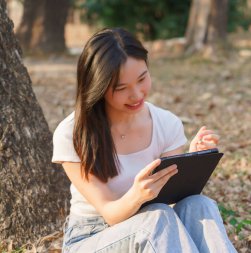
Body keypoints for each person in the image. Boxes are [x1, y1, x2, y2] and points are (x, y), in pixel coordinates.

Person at [52, 27, 237, 253]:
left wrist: (191, 160)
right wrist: (137, 196)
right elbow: (110, 214)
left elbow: (171, 201)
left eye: (142, 79)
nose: (137, 94)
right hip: (92, 237)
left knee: (199, 205)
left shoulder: (166, 123)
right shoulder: (72, 133)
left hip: (156, 230)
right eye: (121, 88)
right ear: (98, 88)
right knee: (156, 218)